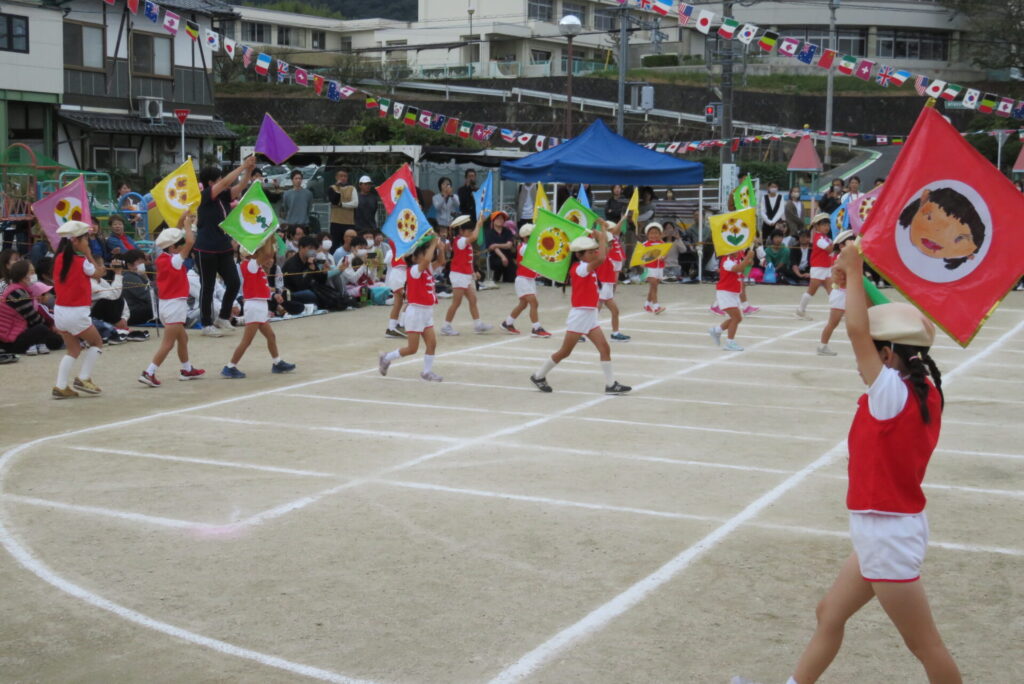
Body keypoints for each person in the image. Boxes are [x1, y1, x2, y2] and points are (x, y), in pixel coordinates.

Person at [785, 242, 960, 684]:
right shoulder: (921, 385)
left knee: (925, 645)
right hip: (884, 525)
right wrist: (854, 278)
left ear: (885, 356)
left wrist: (856, 265)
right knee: (829, 613)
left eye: (873, 352)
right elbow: (889, 325)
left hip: (887, 531)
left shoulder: (889, 393)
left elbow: (858, 331)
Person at [529, 230, 631, 395]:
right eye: (590, 252)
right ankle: (538, 375)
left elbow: (601, 256)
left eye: (593, 251)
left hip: (589, 315)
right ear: (580, 255)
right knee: (565, 351)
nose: (594, 253)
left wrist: (601, 237)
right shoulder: (580, 268)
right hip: (580, 315)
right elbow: (602, 258)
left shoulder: (586, 266)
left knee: (604, 348)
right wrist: (603, 237)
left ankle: (611, 384)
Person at [139, 214, 205, 386]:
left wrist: (181, 220)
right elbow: (190, 242)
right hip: (175, 305)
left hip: (167, 305)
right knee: (168, 344)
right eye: (179, 245)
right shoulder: (175, 260)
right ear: (174, 248)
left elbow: (175, 237)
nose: (182, 246)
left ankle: (187, 368)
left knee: (183, 338)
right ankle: (149, 372)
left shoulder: (163, 257)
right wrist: (188, 225)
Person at [196, 157, 254, 337]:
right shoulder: (206, 195)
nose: (223, 181)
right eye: (219, 179)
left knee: (234, 282)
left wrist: (249, 170)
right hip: (205, 248)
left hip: (223, 246)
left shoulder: (223, 196)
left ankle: (222, 317)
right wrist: (242, 165)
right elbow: (228, 181)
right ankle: (206, 324)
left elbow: (241, 186)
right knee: (208, 287)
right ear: (211, 182)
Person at [222, 240, 296, 379]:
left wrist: (270, 239)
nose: (260, 253)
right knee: (247, 340)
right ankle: (230, 366)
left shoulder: (252, 265)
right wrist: (267, 237)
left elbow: (268, 254)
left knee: (271, 336)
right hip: (255, 306)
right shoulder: (250, 265)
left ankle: (277, 362)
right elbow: (268, 254)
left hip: (259, 305)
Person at [50, 221, 105, 399]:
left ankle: (60, 386)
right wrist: (88, 253)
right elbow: (98, 273)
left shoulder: (58, 259)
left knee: (72, 350)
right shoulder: (82, 261)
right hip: (77, 312)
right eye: (85, 240)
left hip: (60, 311)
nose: (87, 243)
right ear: (76, 241)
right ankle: (83, 377)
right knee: (97, 343)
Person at [379, 234, 443, 382]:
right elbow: (427, 259)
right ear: (414, 258)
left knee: (432, 344)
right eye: (422, 254)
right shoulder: (414, 270)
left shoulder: (428, 269)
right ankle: (386, 357)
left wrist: (441, 248)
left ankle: (427, 371)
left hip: (427, 311)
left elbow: (441, 261)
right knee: (412, 348)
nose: (427, 256)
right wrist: (433, 243)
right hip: (415, 312)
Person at [441, 215, 492, 336]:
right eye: (468, 230)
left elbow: (466, 259)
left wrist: (473, 272)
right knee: (456, 302)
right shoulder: (460, 241)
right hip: (459, 276)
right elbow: (474, 236)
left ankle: (478, 324)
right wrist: (479, 224)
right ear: (462, 231)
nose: (470, 233)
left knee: (473, 299)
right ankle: (446, 326)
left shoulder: (464, 241)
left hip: (465, 275)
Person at [500, 223, 550, 337]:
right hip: (523, 279)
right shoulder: (524, 247)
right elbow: (536, 253)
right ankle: (536, 328)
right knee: (534, 303)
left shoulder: (528, 246)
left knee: (523, 304)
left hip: (529, 279)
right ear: (526, 237)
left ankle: (508, 322)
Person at [0, 260, 61, 355]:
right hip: (9, 341)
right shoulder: (18, 293)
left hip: (10, 335)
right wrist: (52, 328)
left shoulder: (16, 290)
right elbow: (34, 319)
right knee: (49, 334)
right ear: (23, 276)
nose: (34, 275)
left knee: (49, 334)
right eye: (32, 272)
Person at [708, 246, 754, 352]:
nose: (738, 251)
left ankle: (716, 330)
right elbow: (739, 268)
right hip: (725, 292)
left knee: (738, 318)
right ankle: (730, 342)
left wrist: (749, 261)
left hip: (733, 292)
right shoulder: (726, 261)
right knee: (736, 318)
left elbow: (745, 270)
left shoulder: (736, 257)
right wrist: (747, 258)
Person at [818, 230, 855, 356]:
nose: (853, 243)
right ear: (842, 246)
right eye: (850, 241)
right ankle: (822, 346)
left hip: (847, 293)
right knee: (833, 322)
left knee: (856, 321)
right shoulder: (841, 258)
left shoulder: (848, 256)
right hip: (840, 294)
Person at [796, 213, 833, 320]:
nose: (827, 227)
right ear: (817, 226)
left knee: (832, 291)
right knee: (811, 291)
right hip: (818, 268)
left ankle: (839, 310)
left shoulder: (826, 238)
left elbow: (831, 249)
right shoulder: (818, 238)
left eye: (827, 225)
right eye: (824, 225)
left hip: (826, 267)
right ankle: (800, 310)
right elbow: (830, 249)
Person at [599, 220, 630, 342]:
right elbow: (612, 232)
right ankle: (581, 333)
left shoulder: (612, 251)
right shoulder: (601, 255)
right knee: (595, 311)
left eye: (612, 244)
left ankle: (615, 333)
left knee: (613, 310)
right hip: (602, 284)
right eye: (609, 244)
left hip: (607, 284)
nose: (611, 246)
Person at [282, 236, 326, 307]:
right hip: (292, 293)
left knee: (324, 291)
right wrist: (310, 270)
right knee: (311, 294)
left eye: (314, 249)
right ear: (301, 248)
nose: (313, 251)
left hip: (308, 289)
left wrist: (324, 273)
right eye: (310, 248)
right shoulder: (292, 264)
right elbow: (300, 286)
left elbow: (321, 281)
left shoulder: (311, 260)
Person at [121, 249, 154, 325]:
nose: (142, 264)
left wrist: (145, 277)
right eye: (139, 262)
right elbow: (147, 296)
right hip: (132, 311)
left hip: (137, 308)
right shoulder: (129, 277)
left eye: (142, 262)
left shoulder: (136, 275)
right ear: (129, 265)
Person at [327, 169, 359, 245]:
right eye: (341, 176)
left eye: (345, 176)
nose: (343, 178)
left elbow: (355, 203)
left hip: (349, 222)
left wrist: (342, 205)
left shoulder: (352, 188)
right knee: (334, 244)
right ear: (336, 177)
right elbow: (334, 201)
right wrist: (338, 188)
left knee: (350, 244)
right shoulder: (332, 188)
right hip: (336, 222)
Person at [384, 238, 408, 339]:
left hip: (400, 273)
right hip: (399, 273)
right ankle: (401, 325)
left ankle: (391, 328)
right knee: (410, 301)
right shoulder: (397, 240)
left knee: (399, 302)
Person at [485, 211, 517, 283]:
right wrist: (502, 257)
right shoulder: (489, 233)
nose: (500, 220)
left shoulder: (507, 231)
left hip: (508, 255)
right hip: (495, 256)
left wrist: (496, 245)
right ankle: (496, 276)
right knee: (499, 262)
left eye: (502, 219)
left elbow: (509, 245)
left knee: (511, 278)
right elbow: (492, 248)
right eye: (498, 218)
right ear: (493, 220)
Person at [641, 223, 666, 314]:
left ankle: (647, 304)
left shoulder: (662, 243)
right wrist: (643, 267)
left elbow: (665, 255)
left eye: (656, 233)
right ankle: (656, 306)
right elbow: (639, 257)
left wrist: (663, 257)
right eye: (651, 233)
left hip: (659, 268)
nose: (653, 235)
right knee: (654, 286)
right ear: (647, 234)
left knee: (653, 287)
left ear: (660, 234)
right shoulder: (644, 244)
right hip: (649, 268)